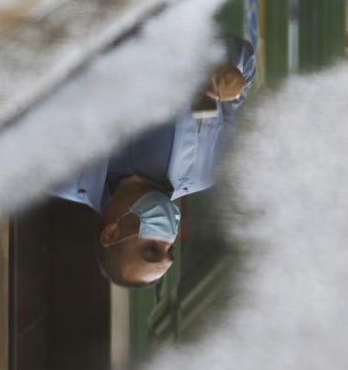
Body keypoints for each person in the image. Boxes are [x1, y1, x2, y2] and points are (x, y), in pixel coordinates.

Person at [53, 36, 256, 287]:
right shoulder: (209, 168)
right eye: (169, 250)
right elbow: (244, 62)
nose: (168, 239)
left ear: (111, 233)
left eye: (151, 249)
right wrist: (226, 73)